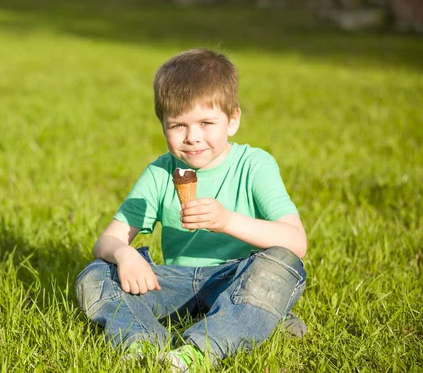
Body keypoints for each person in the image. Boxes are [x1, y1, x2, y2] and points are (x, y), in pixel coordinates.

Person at [75, 49, 308, 371]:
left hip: (237, 276)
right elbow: (106, 242)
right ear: (163, 126)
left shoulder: (254, 165)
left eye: (206, 122)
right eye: (178, 126)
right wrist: (125, 256)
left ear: (233, 120)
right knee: (96, 273)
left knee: (280, 266)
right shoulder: (160, 172)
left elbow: (295, 243)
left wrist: (227, 221)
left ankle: (199, 351)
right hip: (175, 283)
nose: (192, 137)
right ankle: (141, 341)